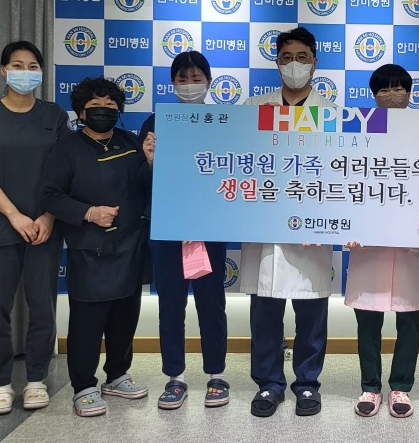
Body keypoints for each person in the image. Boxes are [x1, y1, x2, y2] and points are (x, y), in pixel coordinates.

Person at [0, 40, 70, 415]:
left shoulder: (54, 115)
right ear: (3, 70)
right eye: (17, 65)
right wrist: (13, 215)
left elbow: (65, 172)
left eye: (33, 66)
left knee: (43, 308)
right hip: (0, 228)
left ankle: (36, 379)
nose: (26, 72)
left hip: (43, 229)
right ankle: (0, 384)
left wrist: (48, 216)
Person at [40, 77, 152, 417]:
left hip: (131, 246)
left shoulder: (131, 142)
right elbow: (50, 195)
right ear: (80, 112)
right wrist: (88, 212)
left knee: (125, 317)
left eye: (110, 107)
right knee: (87, 323)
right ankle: (84, 386)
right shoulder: (67, 148)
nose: (103, 112)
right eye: (95, 107)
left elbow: (148, 186)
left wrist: (151, 163)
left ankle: (117, 375)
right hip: (92, 249)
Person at [240, 27, 336, 418]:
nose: (294, 64)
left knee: (311, 311)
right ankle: (269, 383)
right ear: (276, 62)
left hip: (313, 225)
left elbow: (342, 172)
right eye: (286, 58)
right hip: (264, 223)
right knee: (265, 310)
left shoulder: (332, 113)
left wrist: (327, 219)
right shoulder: (253, 107)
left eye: (301, 57)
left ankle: (307, 383)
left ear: (314, 61)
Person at [344, 64, 419, 418]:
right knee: (367, 320)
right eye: (384, 89)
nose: (392, 95)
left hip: (411, 243)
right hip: (369, 243)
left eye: (398, 88)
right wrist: (347, 226)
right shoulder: (358, 132)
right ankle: (370, 387)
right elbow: (345, 180)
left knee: (409, 319)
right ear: (373, 95)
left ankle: (400, 387)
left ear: (410, 93)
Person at [139, 51, 230, 410]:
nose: (190, 85)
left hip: (209, 226)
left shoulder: (223, 120)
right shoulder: (156, 121)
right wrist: (149, 162)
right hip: (167, 227)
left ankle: (216, 375)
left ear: (209, 81)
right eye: (182, 79)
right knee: (171, 304)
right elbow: (140, 180)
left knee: (212, 303)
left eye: (196, 79)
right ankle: (174, 377)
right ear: (172, 83)